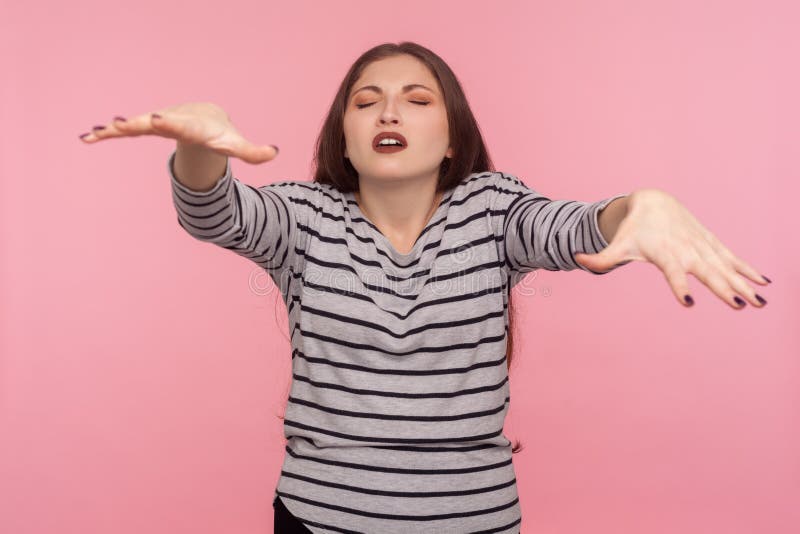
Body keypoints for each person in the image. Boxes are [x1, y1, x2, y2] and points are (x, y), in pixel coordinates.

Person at [79, 41, 770, 534]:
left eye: (415, 100)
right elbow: (215, 212)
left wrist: (639, 204)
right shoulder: (304, 216)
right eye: (365, 102)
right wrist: (200, 145)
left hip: (476, 521)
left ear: (449, 139)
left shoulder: (496, 208)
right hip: (319, 518)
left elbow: (577, 227)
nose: (388, 115)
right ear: (342, 139)